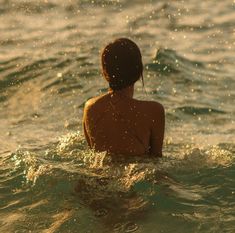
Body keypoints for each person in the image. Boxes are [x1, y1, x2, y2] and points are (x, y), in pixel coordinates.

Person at [83, 38, 165, 156]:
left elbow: (93, 155)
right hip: (137, 172)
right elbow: (156, 159)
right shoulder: (153, 111)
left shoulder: (90, 108)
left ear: (105, 72)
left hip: (99, 174)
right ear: (138, 71)